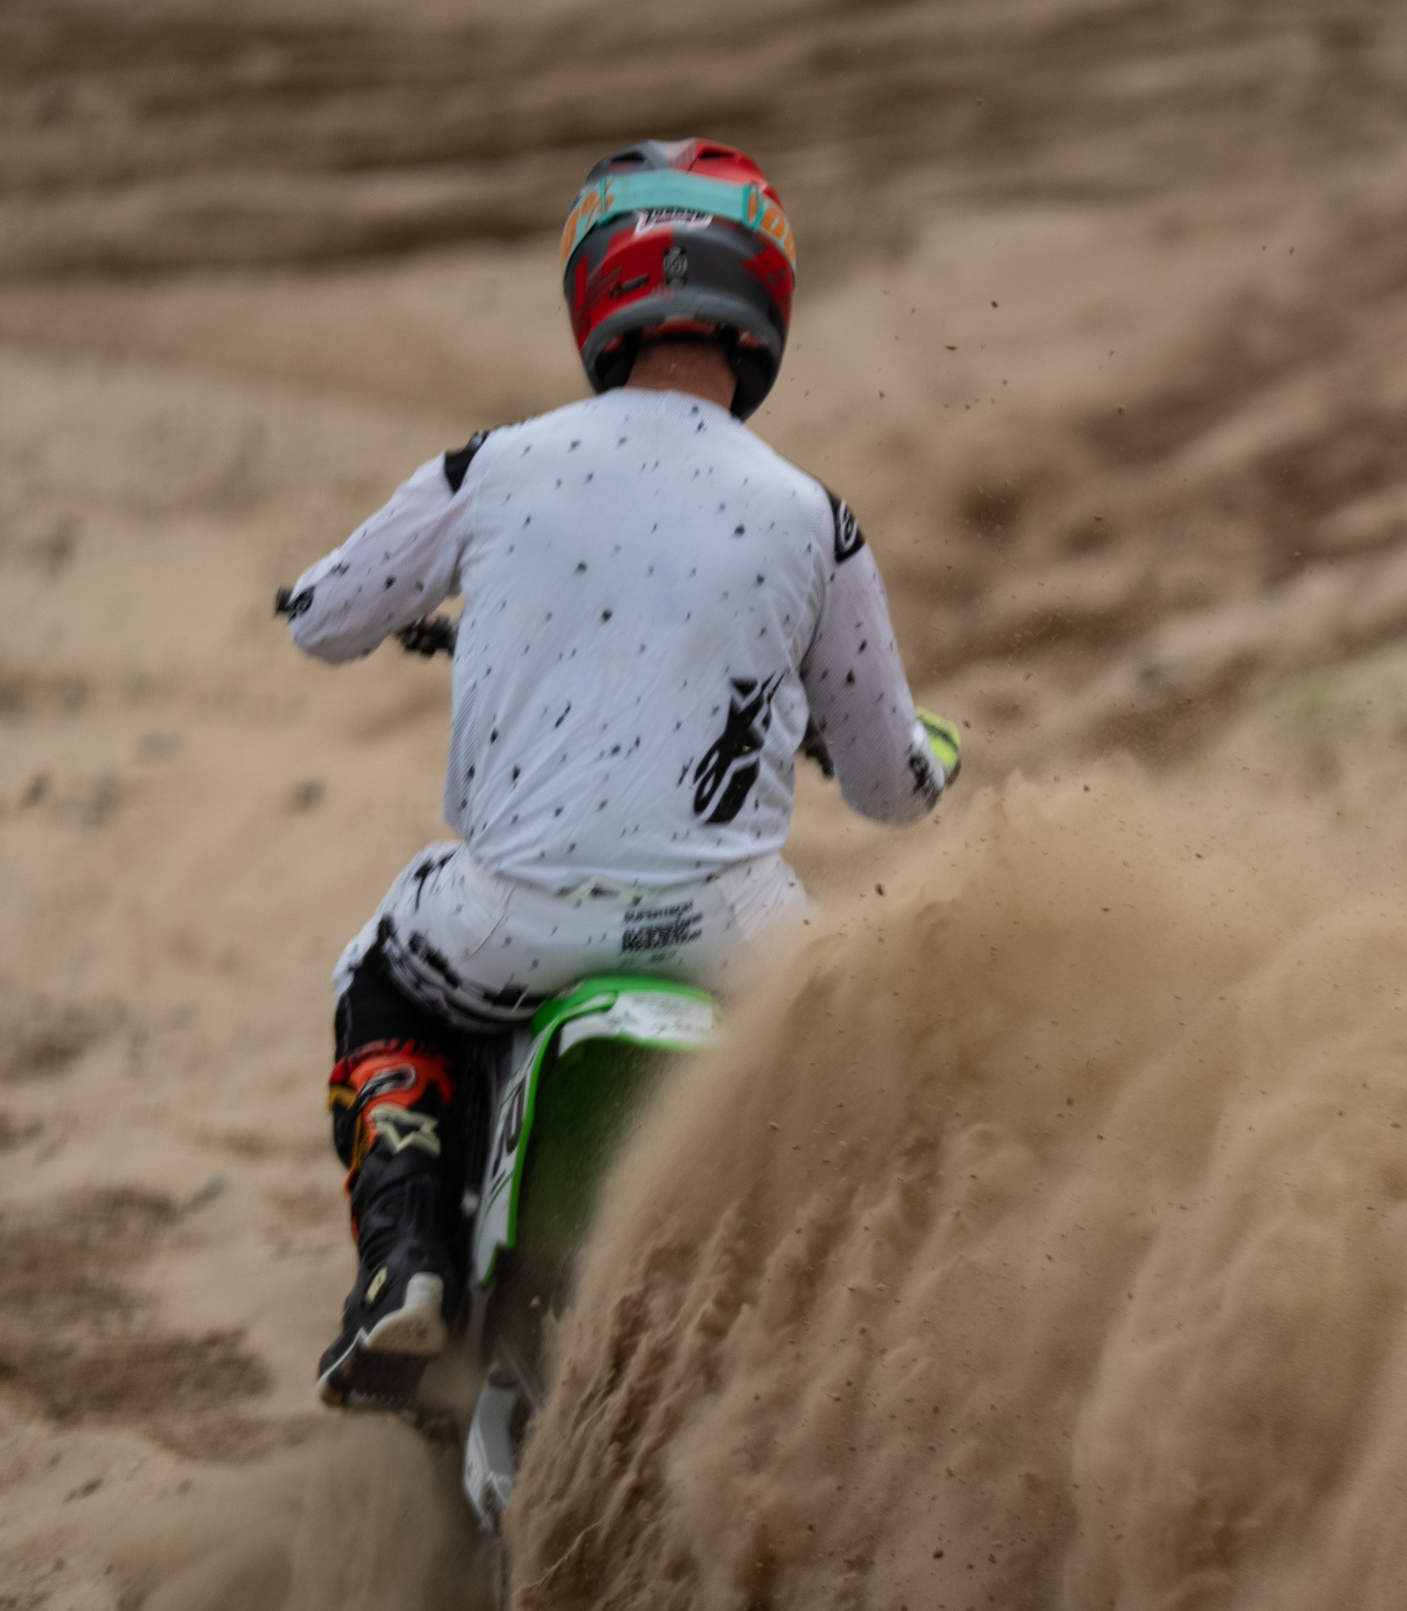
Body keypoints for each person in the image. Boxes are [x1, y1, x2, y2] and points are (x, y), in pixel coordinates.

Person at [276, 138, 961, 1408]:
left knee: (375, 968)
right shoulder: (816, 516)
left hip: (512, 925)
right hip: (727, 932)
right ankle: (843, 1337)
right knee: (846, 1056)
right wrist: (927, 763)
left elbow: (324, 617)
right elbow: (887, 786)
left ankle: (406, 1264)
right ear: (767, 305)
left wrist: (337, 598)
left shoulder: (496, 465)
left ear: (599, 289)